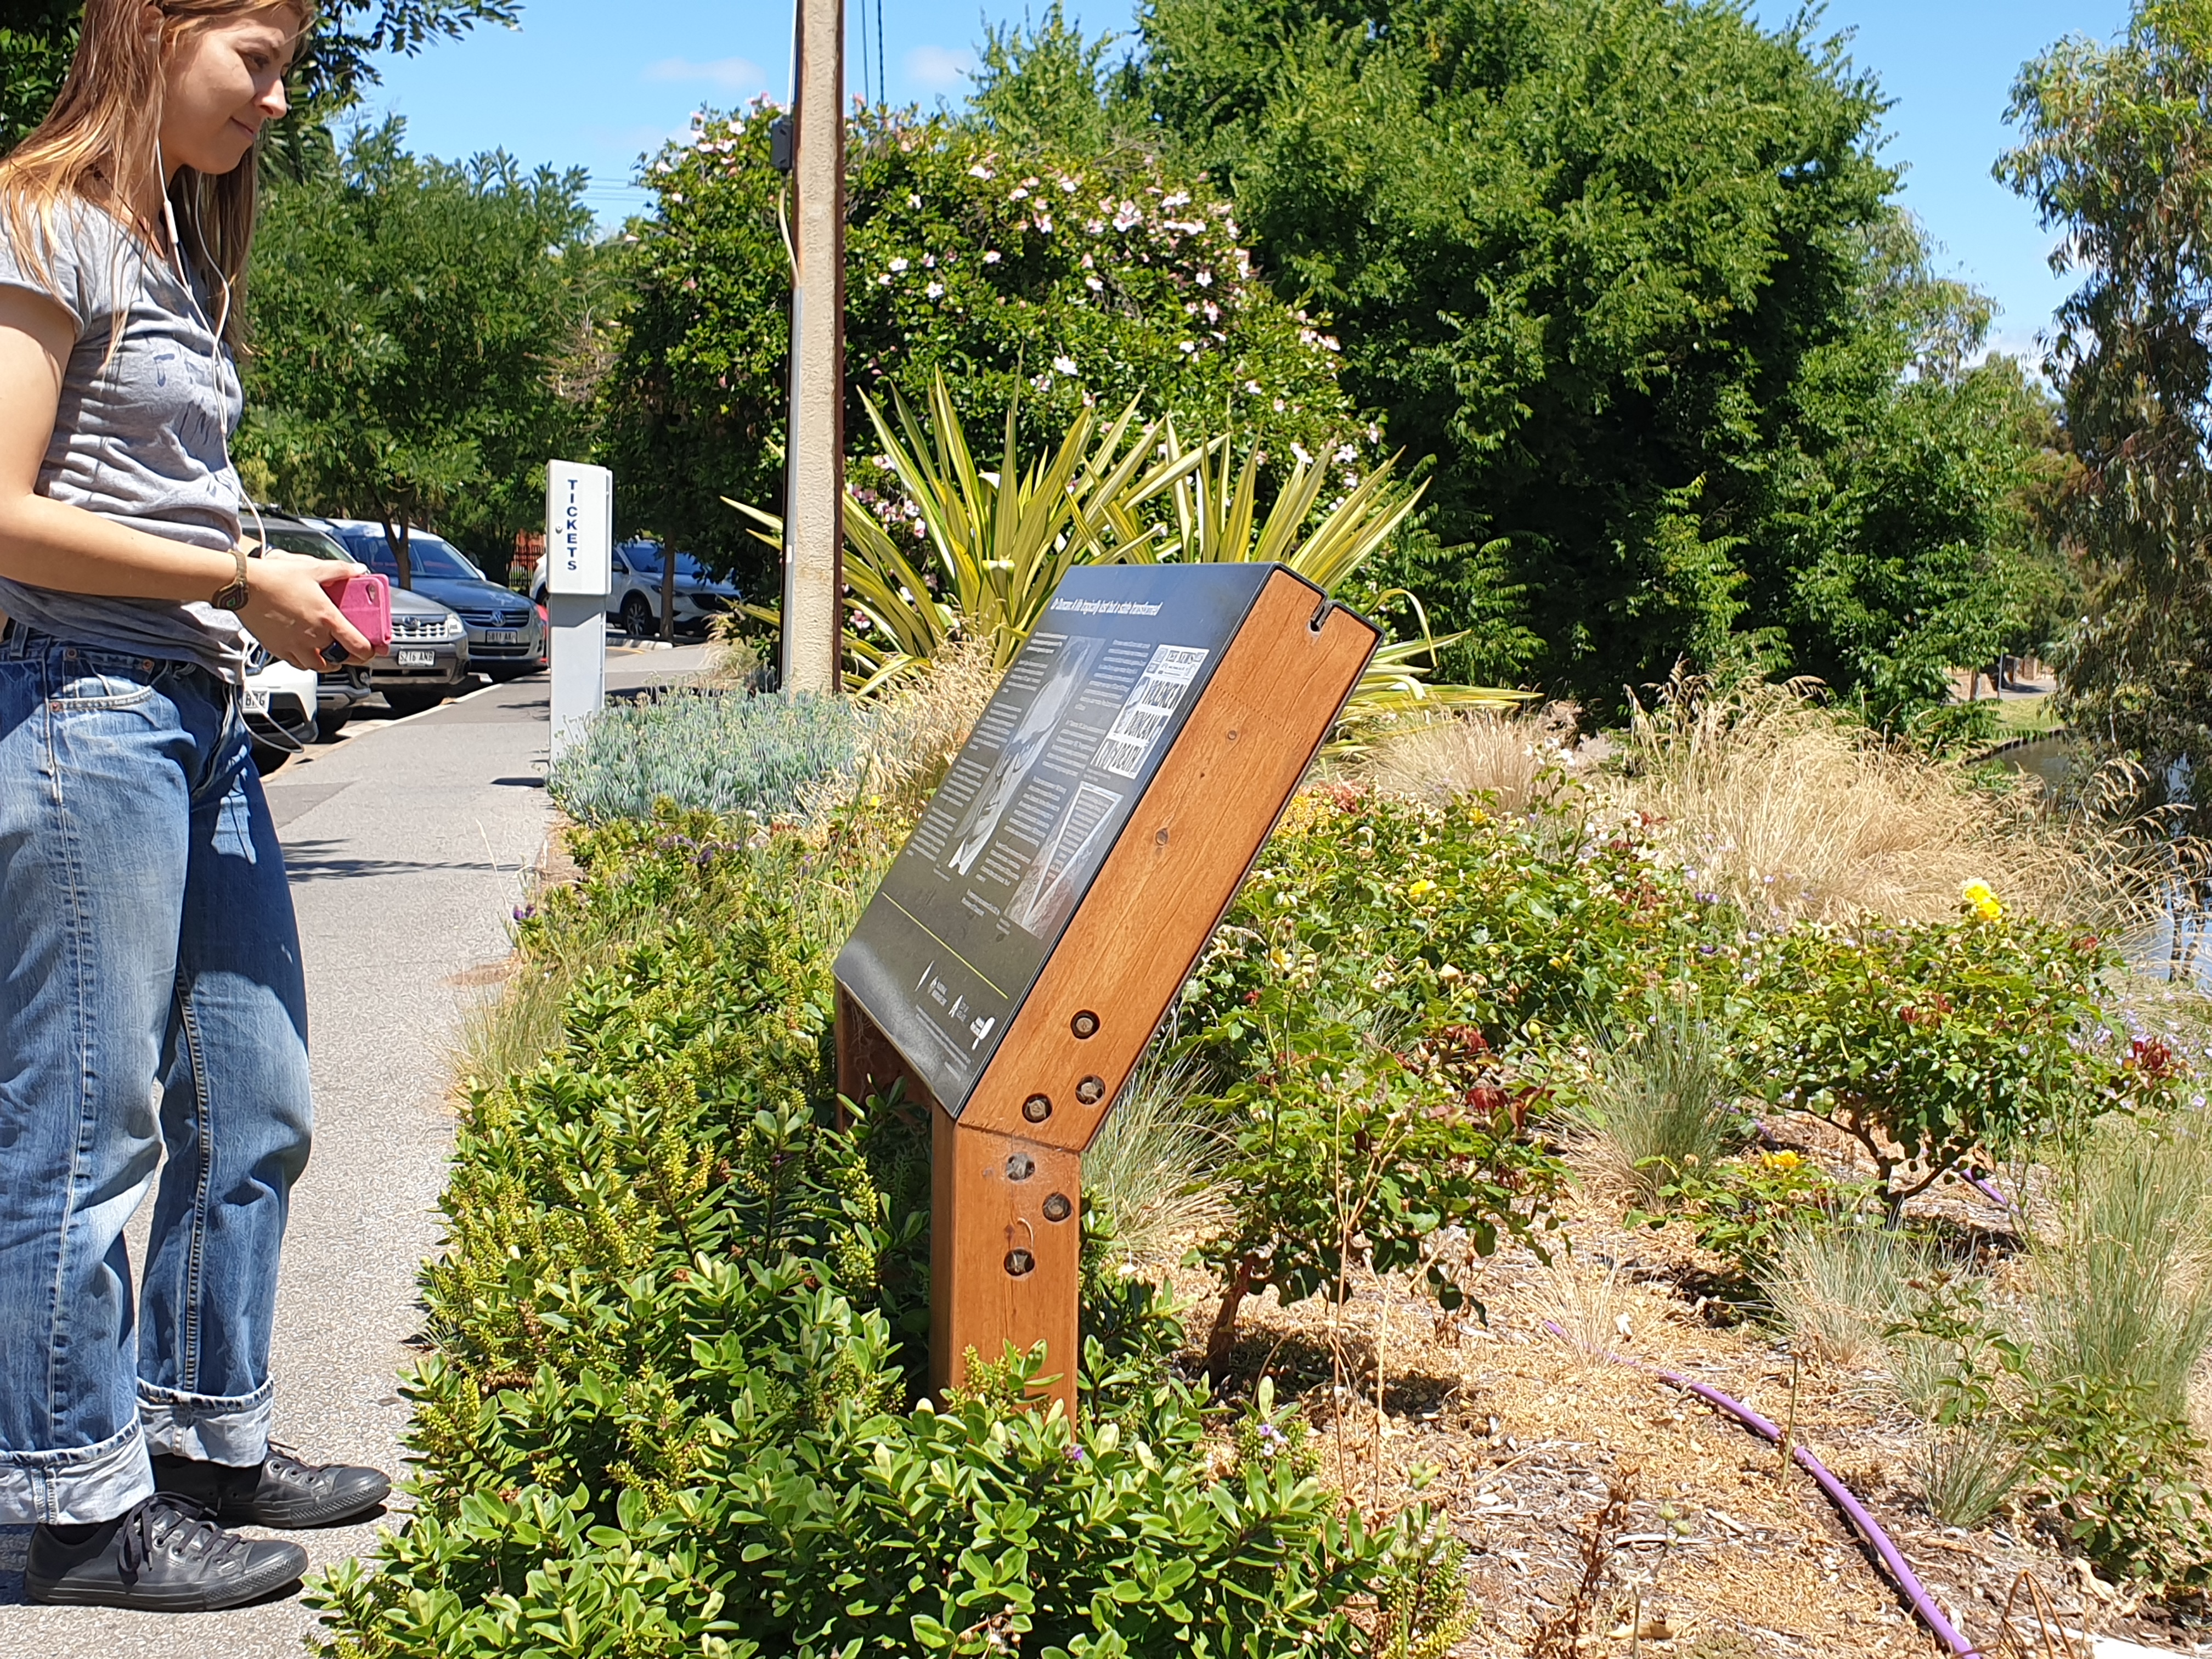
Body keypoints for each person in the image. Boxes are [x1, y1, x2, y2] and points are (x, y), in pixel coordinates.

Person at [0, 0, 392, 1612]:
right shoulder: (42, 220)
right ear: (154, 32)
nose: (280, 98)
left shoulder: (173, 245)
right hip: (88, 707)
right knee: (84, 1129)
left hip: (202, 711)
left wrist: (275, 590)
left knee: (255, 1096)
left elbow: (153, 496)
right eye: (259, 58)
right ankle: (72, 1508)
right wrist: (243, 570)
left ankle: (204, 1433)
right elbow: (7, 518)